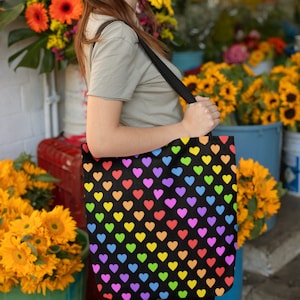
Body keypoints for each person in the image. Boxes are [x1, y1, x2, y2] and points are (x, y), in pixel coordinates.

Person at [75, 1, 220, 299]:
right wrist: (185, 129)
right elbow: (101, 141)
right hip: (155, 193)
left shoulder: (108, 22)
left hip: (149, 191)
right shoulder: (118, 35)